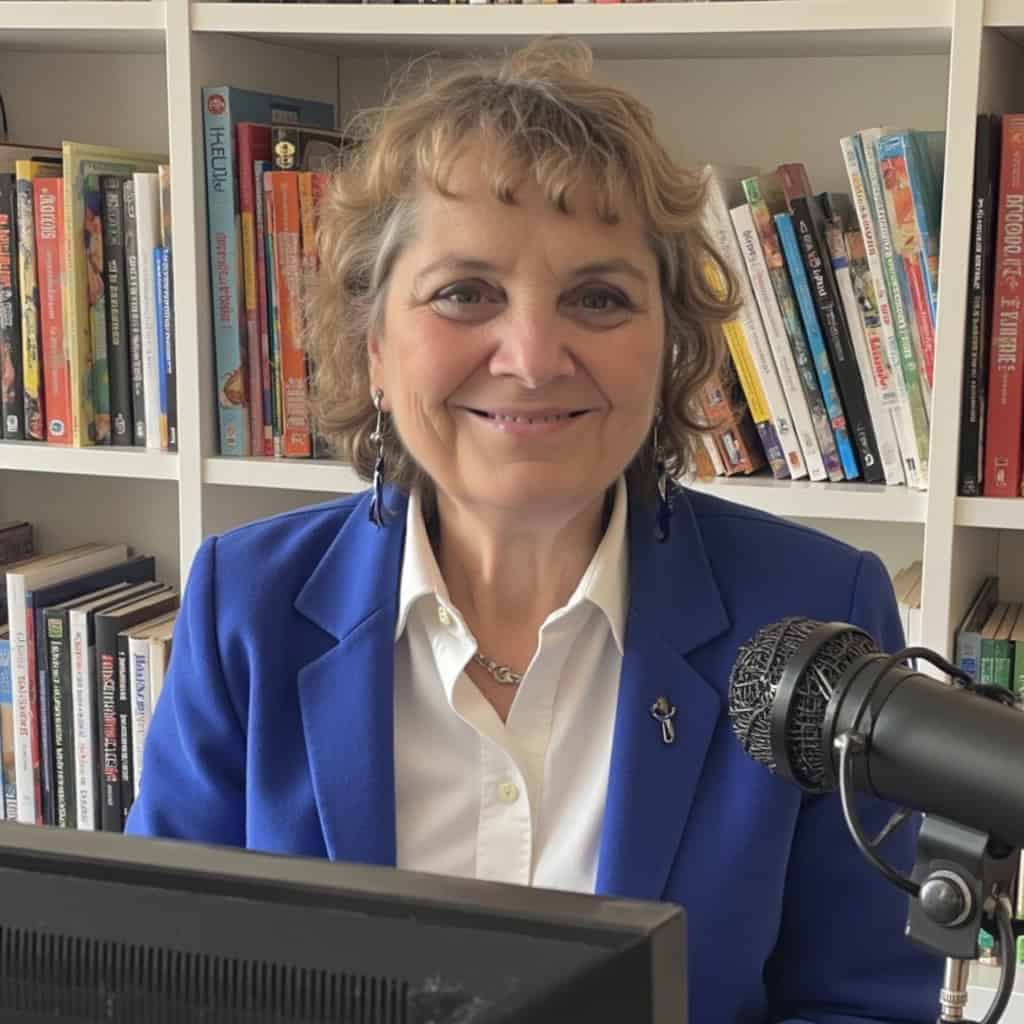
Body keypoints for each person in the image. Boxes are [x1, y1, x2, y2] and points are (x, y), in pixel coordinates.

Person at [127, 39, 942, 1021]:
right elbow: (159, 981)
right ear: (376, 346)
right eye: (465, 293)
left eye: (597, 297)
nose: (531, 355)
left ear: (670, 346)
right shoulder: (243, 606)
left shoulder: (814, 614)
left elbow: (859, 1003)